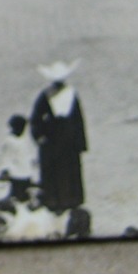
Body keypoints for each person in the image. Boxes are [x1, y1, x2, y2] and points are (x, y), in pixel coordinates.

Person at [30, 60, 88, 213]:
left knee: (69, 170)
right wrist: (39, 136)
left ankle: (71, 200)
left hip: (68, 140)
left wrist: (80, 143)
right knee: (54, 172)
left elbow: (78, 119)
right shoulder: (45, 95)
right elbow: (35, 118)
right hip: (52, 139)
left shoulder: (71, 94)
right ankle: (54, 201)